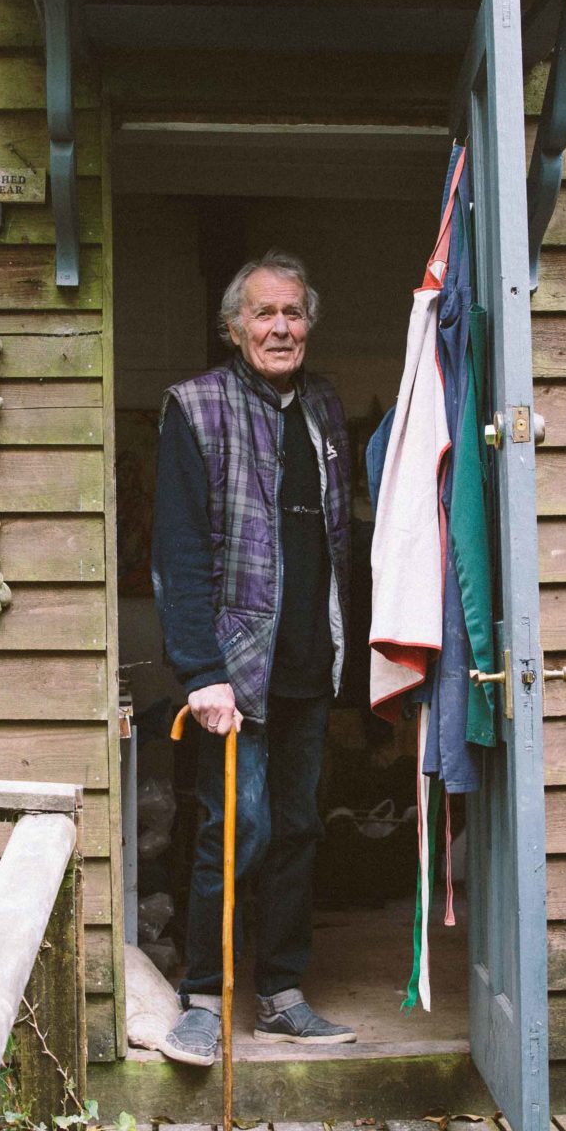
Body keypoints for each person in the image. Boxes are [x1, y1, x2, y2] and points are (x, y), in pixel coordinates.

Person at [149, 250, 358, 1066]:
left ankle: (282, 992)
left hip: (310, 660)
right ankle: (203, 996)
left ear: (309, 324)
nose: (280, 327)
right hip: (233, 669)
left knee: (300, 829)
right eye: (264, 313)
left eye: (294, 313)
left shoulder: (325, 408)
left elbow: (343, 540)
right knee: (234, 826)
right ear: (234, 325)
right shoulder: (194, 408)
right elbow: (179, 550)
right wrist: (200, 670)